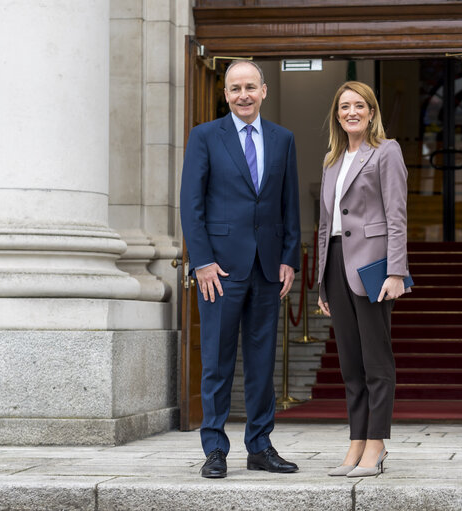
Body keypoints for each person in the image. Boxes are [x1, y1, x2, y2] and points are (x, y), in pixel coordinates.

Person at [180, 60, 301, 479]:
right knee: (216, 361)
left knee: (262, 361)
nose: (243, 95)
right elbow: (191, 205)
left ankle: (260, 446)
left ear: (264, 91)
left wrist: (290, 258)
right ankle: (214, 448)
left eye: (250, 86)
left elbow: (289, 205)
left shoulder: (282, 139)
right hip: (219, 271)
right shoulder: (204, 136)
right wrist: (202, 262)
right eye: (235, 88)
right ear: (226, 94)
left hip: (268, 268)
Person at [316, 81, 409, 478]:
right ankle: (356, 439)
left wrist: (396, 270)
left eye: (359, 106)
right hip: (336, 263)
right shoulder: (331, 160)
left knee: (376, 359)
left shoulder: (386, 152)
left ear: (371, 111)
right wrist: (321, 282)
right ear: (337, 115)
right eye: (343, 107)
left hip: (372, 266)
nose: (351, 112)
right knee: (350, 362)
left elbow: (397, 215)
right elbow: (324, 226)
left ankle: (377, 441)